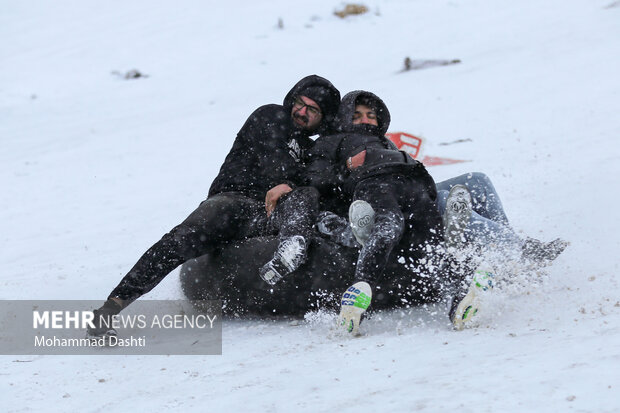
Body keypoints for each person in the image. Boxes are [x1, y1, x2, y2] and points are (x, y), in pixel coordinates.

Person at [87, 75, 341, 338]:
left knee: (310, 202)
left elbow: (321, 184)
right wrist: (289, 181)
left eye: (312, 110)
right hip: (233, 202)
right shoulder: (272, 115)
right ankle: (110, 308)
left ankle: (302, 257)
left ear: (323, 118)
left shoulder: (313, 150)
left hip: (266, 216)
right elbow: (273, 161)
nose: (301, 111)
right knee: (181, 240)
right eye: (300, 103)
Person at [303, 90, 447, 334]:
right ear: (344, 117)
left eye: (371, 115)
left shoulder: (387, 142)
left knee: (432, 239)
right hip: (374, 182)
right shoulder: (331, 140)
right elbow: (315, 179)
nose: (366, 119)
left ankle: (459, 296)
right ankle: (359, 293)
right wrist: (347, 168)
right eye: (357, 115)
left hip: (413, 183)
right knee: (388, 226)